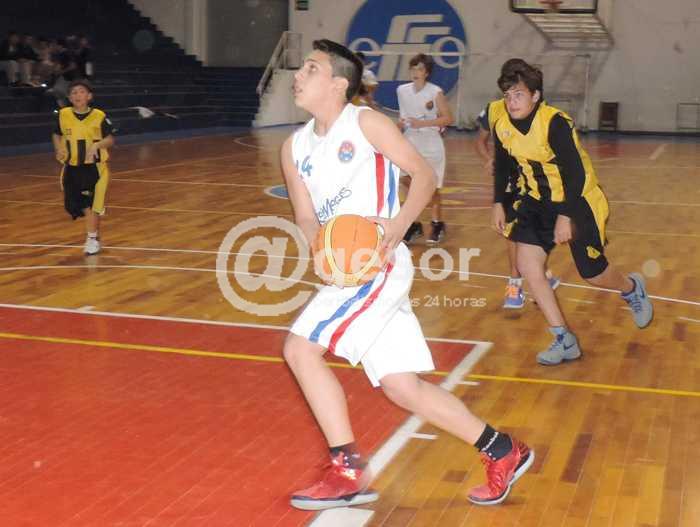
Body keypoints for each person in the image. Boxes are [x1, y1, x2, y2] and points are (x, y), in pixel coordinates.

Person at [280, 38, 533, 511]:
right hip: (347, 269)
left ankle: (347, 470)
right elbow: (305, 216)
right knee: (402, 386)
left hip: (377, 263)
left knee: (299, 349)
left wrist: (396, 228)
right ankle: (502, 449)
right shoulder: (293, 148)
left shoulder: (366, 123)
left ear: (338, 84)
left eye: (311, 68)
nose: (298, 74)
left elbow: (423, 175)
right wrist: (321, 249)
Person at [490, 59, 653, 365]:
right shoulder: (502, 126)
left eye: (519, 95)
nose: (512, 102)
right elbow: (502, 166)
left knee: (593, 273)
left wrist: (566, 215)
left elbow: (575, 173)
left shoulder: (554, 122)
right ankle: (564, 339)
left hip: (577, 199)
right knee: (528, 265)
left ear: (536, 95)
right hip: (537, 202)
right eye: (508, 95)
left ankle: (631, 289)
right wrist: (498, 202)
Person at [476, 58, 560, 308]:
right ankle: (541, 276)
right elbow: (479, 142)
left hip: (532, 180)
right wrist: (489, 159)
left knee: (516, 232)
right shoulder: (493, 110)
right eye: (507, 90)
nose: (512, 96)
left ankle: (516, 284)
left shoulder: (539, 110)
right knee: (511, 232)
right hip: (507, 179)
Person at [52, 80, 115, 255]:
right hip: (72, 168)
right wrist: (58, 148)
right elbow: (56, 134)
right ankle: (94, 219)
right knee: (74, 205)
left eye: (81, 92)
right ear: (69, 97)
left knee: (90, 206)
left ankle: (92, 238)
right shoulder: (63, 115)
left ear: (89, 96)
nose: (77, 95)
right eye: (73, 92)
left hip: (94, 169)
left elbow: (110, 139)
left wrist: (97, 145)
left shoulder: (99, 116)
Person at [397, 53, 452, 244]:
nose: (415, 72)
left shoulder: (435, 92)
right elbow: (403, 117)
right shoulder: (402, 90)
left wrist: (422, 123)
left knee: (430, 186)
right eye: (413, 68)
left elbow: (448, 118)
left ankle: (437, 224)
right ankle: (414, 225)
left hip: (430, 142)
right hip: (410, 141)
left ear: (426, 73)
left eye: (420, 69)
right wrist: (400, 126)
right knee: (405, 179)